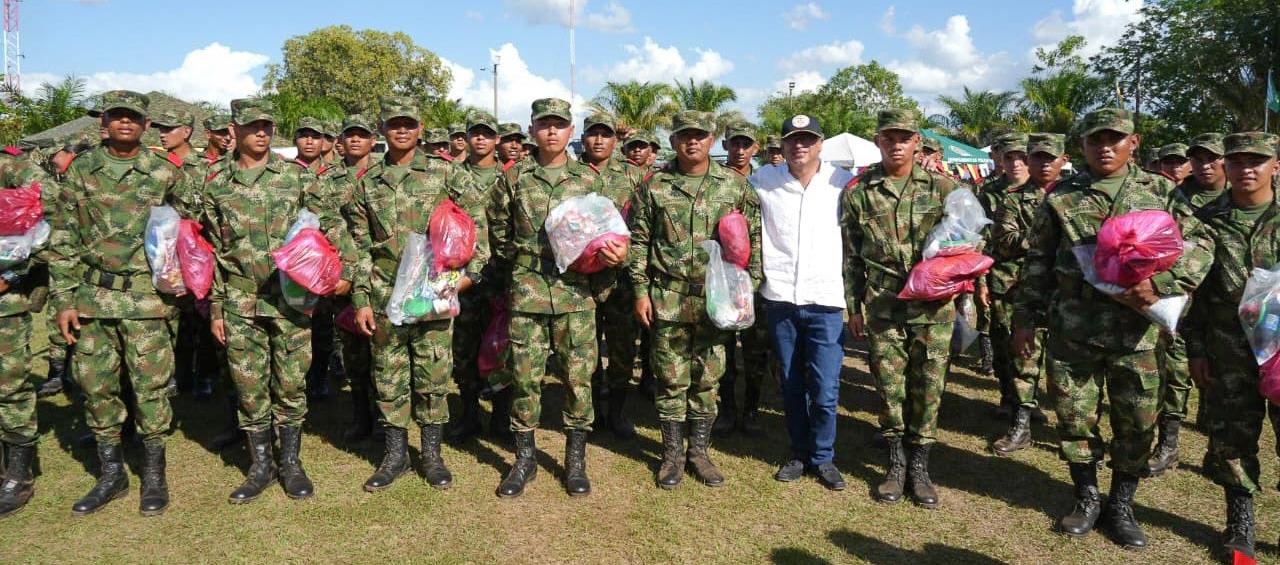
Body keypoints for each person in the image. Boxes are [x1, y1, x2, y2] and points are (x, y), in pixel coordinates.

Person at [1011, 108, 1211, 549]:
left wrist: (1159, 286)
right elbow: (1038, 262)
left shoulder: (1160, 191)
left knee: (1137, 423)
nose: (1105, 147)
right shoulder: (1061, 197)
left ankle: (1121, 502)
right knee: (1073, 418)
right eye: (1095, 139)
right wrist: (1024, 319)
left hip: (1137, 334)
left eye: (1114, 139)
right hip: (1073, 330)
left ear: (1133, 143)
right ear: (1081, 146)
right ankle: (1085, 496)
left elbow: (1200, 245)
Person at [52, 90, 198, 516]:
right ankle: (111, 474)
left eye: (133, 118)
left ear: (146, 125)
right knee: (96, 387)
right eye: (116, 117)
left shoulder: (164, 172)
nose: (125, 124)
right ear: (104, 122)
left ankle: (154, 475)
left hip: (147, 300)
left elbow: (189, 229)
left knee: (151, 389)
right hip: (93, 299)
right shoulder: (82, 171)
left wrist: (180, 279)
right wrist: (63, 300)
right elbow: (63, 238)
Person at [202, 97, 356, 504]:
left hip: (290, 302)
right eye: (253, 126)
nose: (261, 133)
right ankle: (259, 466)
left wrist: (346, 275)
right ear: (234, 129)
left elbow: (335, 225)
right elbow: (213, 248)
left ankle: (290, 462)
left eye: (267, 126)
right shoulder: (215, 181)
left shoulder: (296, 177)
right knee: (249, 387)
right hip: (240, 301)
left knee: (290, 384)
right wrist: (217, 308)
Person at [346, 96, 489, 492]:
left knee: (433, 375)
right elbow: (358, 247)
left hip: (433, 295)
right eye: (394, 124)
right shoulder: (368, 183)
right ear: (382, 129)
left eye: (409, 123)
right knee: (389, 378)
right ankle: (395, 456)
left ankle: (431, 455)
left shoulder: (446, 175)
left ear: (421, 128)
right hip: (384, 295)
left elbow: (479, 230)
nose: (402, 130)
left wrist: (461, 281)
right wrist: (360, 299)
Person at [488, 98, 626, 498]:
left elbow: (610, 233)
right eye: (543, 124)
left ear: (570, 132)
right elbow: (497, 229)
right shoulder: (514, 179)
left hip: (575, 296)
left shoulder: (590, 181)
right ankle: (524, 460)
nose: (551, 131)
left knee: (577, 379)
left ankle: (575, 461)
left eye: (559, 125)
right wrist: (520, 266)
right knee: (524, 378)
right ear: (532, 130)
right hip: (528, 293)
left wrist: (609, 267)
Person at [629, 110, 761, 490]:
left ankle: (699, 452)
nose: (692, 142)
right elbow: (639, 242)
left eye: (700, 135)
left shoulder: (733, 186)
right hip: (668, 297)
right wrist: (640, 291)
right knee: (670, 380)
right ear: (672, 141)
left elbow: (755, 242)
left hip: (715, 300)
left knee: (708, 378)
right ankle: (671, 454)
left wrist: (746, 289)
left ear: (712, 139)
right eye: (684, 135)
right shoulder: (655, 186)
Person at [1185, 131, 1279, 562]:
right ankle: (1240, 527)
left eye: (1256, 161)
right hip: (1227, 350)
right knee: (1232, 441)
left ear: (1275, 166)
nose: (1246, 169)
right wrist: (1197, 349)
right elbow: (1195, 295)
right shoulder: (1205, 220)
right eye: (1237, 161)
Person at [749, 115, 849, 490]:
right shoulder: (763, 181)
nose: (799, 146)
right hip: (780, 299)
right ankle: (797, 452)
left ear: (821, 144)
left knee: (825, 389)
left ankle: (823, 457)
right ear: (783, 145)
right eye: (792, 140)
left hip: (825, 299)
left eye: (807, 140)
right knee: (791, 385)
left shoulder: (842, 183)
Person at [1148, 133, 1229, 476]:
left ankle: (1218, 448)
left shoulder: (1238, 195)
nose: (1204, 165)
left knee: (1225, 375)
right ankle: (1168, 444)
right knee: (1176, 371)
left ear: (1225, 160)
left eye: (1212, 158)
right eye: (1197, 159)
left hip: (1228, 302)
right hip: (1183, 299)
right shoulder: (1175, 197)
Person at [987, 133, 1067, 455]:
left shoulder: (1078, 197)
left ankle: (1072, 432)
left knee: (1068, 365)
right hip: (1024, 287)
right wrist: (1048, 241)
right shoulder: (1013, 199)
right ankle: (1021, 425)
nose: (1043, 164)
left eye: (1050, 158)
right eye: (1037, 157)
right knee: (1024, 358)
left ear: (1063, 160)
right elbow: (1004, 241)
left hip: (1068, 293)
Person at [0, 153, 61, 518]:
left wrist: (14, 273)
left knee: (8, 386)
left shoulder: (14, 168)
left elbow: (55, 220)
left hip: (4, 301)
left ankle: (18, 475)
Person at [578, 112, 643, 439]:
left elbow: (645, 228)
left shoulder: (633, 176)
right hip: (580, 283)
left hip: (620, 281)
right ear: (583, 137)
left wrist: (627, 256)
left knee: (621, 350)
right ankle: (587, 413)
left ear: (616, 140)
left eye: (605, 134)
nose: (599, 140)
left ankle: (616, 412)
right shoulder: (571, 175)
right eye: (593, 134)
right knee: (584, 351)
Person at [448, 113, 512, 444]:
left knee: (502, 348)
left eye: (488, 134)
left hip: (501, 278)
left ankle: (501, 419)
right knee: (465, 349)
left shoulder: (510, 177)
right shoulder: (451, 176)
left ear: (496, 139)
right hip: (463, 279)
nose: (481, 140)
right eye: (475, 133)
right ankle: (469, 414)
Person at [715, 122, 769, 437]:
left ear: (755, 147)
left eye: (745, 144)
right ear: (725, 145)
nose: (739, 150)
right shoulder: (717, 181)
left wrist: (757, 278)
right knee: (722, 344)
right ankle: (726, 408)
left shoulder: (766, 181)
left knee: (755, 348)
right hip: (723, 277)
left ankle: (751, 408)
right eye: (734, 144)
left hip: (756, 278)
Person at [327, 114, 378, 443]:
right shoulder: (328, 181)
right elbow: (324, 224)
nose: (356, 140)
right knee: (355, 353)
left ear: (373, 140)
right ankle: (362, 417)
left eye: (362, 135)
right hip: (345, 277)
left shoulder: (382, 175)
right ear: (340, 142)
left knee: (388, 354)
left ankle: (391, 420)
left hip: (383, 276)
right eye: (350, 135)